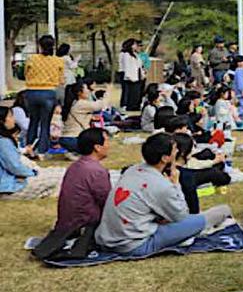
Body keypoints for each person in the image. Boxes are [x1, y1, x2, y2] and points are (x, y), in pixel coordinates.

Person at [95, 133, 231, 255]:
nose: (177, 151)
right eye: (175, 149)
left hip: (107, 238)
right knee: (222, 211)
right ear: (165, 158)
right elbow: (181, 215)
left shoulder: (132, 170)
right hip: (134, 244)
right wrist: (176, 183)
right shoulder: (161, 185)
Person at [0, 106, 64, 199]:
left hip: (8, 184)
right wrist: (33, 173)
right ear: (1, 121)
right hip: (9, 188)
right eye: (10, 116)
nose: (13, 119)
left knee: (58, 173)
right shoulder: (3, 142)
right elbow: (14, 166)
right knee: (60, 176)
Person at [55, 127, 110, 233]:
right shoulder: (97, 171)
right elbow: (107, 202)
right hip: (84, 224)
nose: (109, 146)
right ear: (97, 147)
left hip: (66, 222)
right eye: (107, 141)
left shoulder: (75, 166)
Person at [25, 34, 64, 154]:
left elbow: (26, 74)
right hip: (49, 92)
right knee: (45, 123)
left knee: (33, 121)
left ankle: (29, 147)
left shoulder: (31, 59)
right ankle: (42, 150)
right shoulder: (58, 61)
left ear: (39, 45)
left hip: (32, 92)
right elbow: (61, 81)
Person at [59, 81, 109, 154]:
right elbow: (99, 106)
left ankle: (73, 152)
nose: (88, 91)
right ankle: (74, 152)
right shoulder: (81, 103)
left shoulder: (74, 102)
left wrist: (90, 117)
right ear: (80, 93)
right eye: (86, 89)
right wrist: (106, 95)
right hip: (75, 138)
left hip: (68, 139)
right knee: (97, 145)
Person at [119, 38, 144, 111]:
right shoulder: (125, 54)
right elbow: (126, 66)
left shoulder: (136, 54)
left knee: (137, 92)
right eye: (135, 44)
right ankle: (127, 105)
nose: (136, 46)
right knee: (129, 91)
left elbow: (139, 65)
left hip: (137, 74)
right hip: (130, 75)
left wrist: (142, 73)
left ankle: (136, 105)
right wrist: (128, 76)